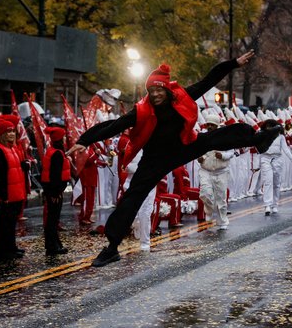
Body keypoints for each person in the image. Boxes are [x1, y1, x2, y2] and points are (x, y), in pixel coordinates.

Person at [67, 51, 281, 267]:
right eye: (151, 91)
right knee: (133, 197)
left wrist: (233, 64)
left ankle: (258, 139)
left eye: (158, 89)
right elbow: (114, 126)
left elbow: (209, 80)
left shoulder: (182, 97)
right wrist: (85, 139)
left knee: (213, 138)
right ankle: (112, 247)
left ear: (166, 89)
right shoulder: (142, 110)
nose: (155, 94)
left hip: (182, 147)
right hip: (155, 158)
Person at [0, 115, 28, 262]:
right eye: (9, 131)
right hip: (6, 195)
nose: (12, 133)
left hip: (15, 193)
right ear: (3, 134)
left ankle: (11, 248)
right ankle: (3, 252)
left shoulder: (12, 148)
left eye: (13, 131)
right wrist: (3, 195)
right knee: (3, 225)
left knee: (11, 224)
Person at [197, 114, 234, 230]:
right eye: (208, 124)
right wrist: (199, 157)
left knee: (221, 197)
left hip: (221, 171)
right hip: (205, 170)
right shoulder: (203, 137)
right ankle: (209, 211)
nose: (209, 127)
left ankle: (222, 221)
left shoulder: (225, 137)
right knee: (205, 193)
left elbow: (231, 152)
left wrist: (222, 155)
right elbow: (196, 150)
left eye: (212, 125)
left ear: (217, 126)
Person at [40, 127, 69, 255]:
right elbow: (55, 175)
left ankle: (54, 244)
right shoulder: (57, 153)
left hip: (53, 191)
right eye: (63, 136)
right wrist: (56, 192)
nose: (65, 138)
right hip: (55, 192)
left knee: (52, 219)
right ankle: (52, 246)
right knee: (53, 219)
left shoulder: (52, 151)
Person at [260, 119, 292, 215]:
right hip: (266, 159)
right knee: (267, 181)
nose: (269, 128)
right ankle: (267, 205)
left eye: (271, 126)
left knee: (276, 183)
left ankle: (275, 204)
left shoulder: (280, 137)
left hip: (277, 159)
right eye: (267, 126)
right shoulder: (262, 135)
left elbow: (285, 149)